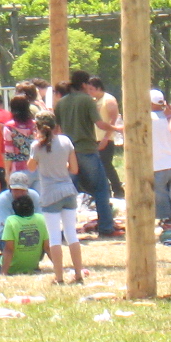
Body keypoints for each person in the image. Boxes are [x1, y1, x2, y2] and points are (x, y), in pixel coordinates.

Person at [57, 71, 116, 238]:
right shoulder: (87, 101)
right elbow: (99, 123)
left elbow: (57, 129)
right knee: (101, 189)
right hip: (87, 151)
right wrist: (117, 128)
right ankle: (105, 227)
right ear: (83, 84)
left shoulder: (61, 103)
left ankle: (64, 230)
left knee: (68, 192)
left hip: (68, 153)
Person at [28, 114, 85, 284]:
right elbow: (74, 169)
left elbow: (31, 168)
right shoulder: (66, 141)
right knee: (71, 234)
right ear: (55, 126)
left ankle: (59, 277)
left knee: (54, 237)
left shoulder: (36, 146)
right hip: (68, 190)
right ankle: (78, 274)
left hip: (50, 193)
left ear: (37, 127)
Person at [85, 76, 122, 199]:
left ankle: (118, 189)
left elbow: (113, 119)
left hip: (106, 138)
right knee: (98, 166)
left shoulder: (108, 99)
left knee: (106, 164)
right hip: (95, 137)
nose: (89, 92)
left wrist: (107, 137)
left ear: (99, 88)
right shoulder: (94, 101)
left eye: (91, 89)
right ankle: (106, 189)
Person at [0, 190, 49, 276]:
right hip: (32, 266)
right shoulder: (41, 219)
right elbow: (47, 247)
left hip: (12, 267)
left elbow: (9, 249)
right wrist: (58, 267)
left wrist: (3, 272)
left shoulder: (11, 221)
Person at [149, 90, 171, 224]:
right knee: (169, 192)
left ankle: (165, 218)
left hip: (157, 162)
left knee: (160, 193)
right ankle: (169, 216)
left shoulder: (148, 118)